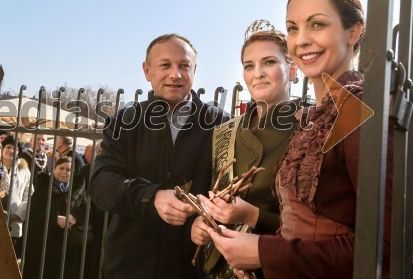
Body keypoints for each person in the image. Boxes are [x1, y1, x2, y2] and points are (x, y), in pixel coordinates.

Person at [208, 0, 393, 279]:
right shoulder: (316, 116)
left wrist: (263, 252)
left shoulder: (357, 108)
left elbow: (383, 250)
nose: (302, 40)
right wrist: (257, 250)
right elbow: (302, 226)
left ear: (353, 31)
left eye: (317, 24)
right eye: (293, 28)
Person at [89, 33, 229, 279]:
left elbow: (231, 190)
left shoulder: (222, 124)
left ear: (194, 69)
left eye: (184, 66)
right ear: (147, 71)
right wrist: (151, 196)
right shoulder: (123, 122)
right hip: (128, 268)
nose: (175, 74)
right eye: (165, 65)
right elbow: (101, 184)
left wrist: (207, 218)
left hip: (192, 269)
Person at [190, 20, 298, 279]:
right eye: (249, 66)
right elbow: (211, 194)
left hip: (274, 268)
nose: (258, 73)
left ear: (293, 70)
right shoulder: (224, 131)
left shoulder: (307, 130)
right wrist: (200, 223)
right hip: (219, 269)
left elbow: (317, 229)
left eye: (269, 62)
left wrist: (253, 216)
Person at [23, 156, 92, 279]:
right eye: (61, 168)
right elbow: (34, 211)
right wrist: (55, 219)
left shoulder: (78, 187)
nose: (64, 172)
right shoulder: (44, 186)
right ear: (54, 169)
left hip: (69, 243)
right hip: (45, 241)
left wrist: (74, 217)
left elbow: (85, 207)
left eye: (68, 169)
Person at [0, 135, 32, 250]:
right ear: (2, 149)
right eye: (8, 147)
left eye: (15, 148)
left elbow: (29, 196)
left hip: (14, 224)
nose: (11, 150)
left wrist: (16, 216)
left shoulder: (25, 171)